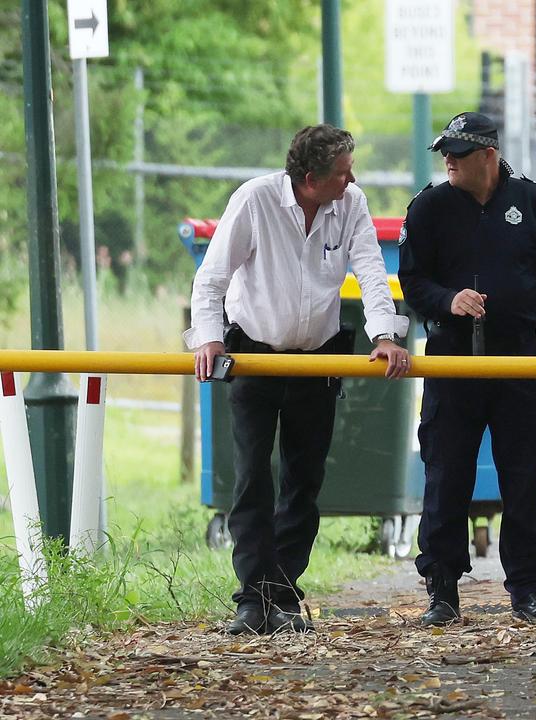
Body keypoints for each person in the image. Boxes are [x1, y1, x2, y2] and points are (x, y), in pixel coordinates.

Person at [186, 124, 411, 635]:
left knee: (304, 480)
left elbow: (372, 271)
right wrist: (208, 337)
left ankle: (282, 593)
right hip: (255, 358)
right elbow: (213, 275)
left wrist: (384, 333)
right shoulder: (255, 200)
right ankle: (251, 596)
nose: (352, 178)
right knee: (250, 477)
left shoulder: (350, 202)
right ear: (311, 179)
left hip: (318, 359)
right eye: (342, 171)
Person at [399, 112, 536, 626]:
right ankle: (442, 588)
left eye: (458, 153)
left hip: (519, 357)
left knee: (522, 476)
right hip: (453, 358)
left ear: (488, 156)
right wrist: (448, 300)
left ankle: (529, 589)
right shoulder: (430, 206)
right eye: (444, 154)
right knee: (446, 474)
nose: (448, 162)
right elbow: (412, 282)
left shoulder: (533, 202)